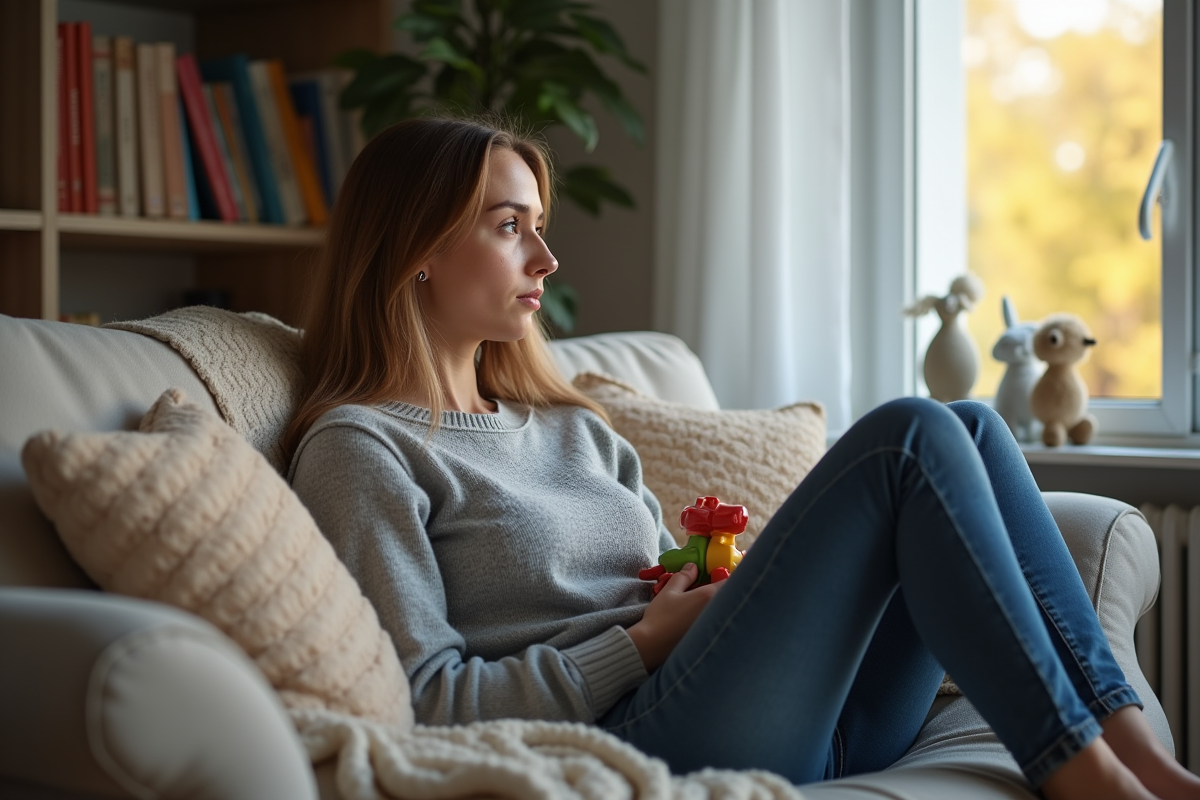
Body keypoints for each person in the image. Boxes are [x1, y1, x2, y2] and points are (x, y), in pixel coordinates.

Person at [284, 116, 1199, 800]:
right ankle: (1086, 776)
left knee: (972, 424)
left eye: (537, 224)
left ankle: (1134, 743)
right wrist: (644, 641)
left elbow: (654, 582)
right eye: (509, 226)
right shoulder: (363, 449)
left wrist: (712, 591)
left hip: (794, 715)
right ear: (417, 253)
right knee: (910, 435)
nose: (549, 257)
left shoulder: (573, 426)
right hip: (643, 733)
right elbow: (426, 704)